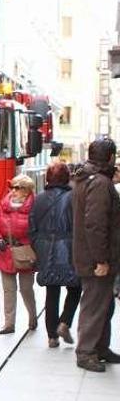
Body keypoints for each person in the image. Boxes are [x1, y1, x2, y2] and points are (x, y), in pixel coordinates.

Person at [71, 138, 120, 373]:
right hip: (96, 258)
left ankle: (100, 347)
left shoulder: (88, 178)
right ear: (110, 157)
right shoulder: (99, 183)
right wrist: (101, 260)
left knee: (105, 305)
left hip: (92, 255)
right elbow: (96, 224)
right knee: (94, 305)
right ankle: (86, 352)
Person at [29, 162, 80, 348]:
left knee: (52, 291)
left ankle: (52, 336)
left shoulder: (38, 199)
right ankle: (65, 322)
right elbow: (79, 226)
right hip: (69, 249)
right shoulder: (74, 197)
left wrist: (39, 247)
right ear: (67, 177)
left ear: (48, 178)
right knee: (75, 288)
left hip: (45, 249)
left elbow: (31, 228)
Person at [0, 174, 37, 335]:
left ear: (26, 191)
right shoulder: (4, 205)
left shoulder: (34, 207)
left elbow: (38, 231)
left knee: (26, 289)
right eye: (12, 187)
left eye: (17, 188)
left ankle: (32, 317)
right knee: (9, 291)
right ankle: (9, 324)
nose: (13, 191)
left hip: (24, 253)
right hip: (6, 252)